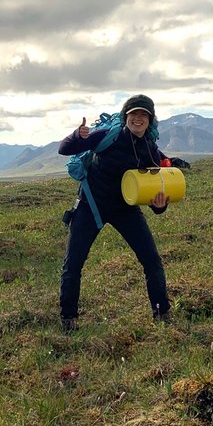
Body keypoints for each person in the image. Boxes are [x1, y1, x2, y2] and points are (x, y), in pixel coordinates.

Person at [57, 94, 172, 332]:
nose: (138, 119)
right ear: (125, 117)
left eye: (143, 115)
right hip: (91, 205)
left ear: (150, 120)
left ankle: (162, 314)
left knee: (152, 261)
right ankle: (68, 319)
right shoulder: (107, 136)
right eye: (133, 114)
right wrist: (77, 136)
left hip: (125, 209)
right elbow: (64, 149)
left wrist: (159, 205)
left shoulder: (151, 151)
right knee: (73, 264)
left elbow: (151, 196)